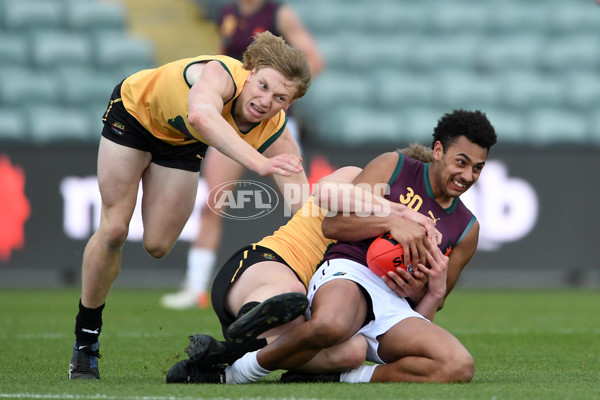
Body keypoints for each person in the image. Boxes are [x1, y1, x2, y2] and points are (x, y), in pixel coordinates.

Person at [167, 109, 498, 384]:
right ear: (438, 151)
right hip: (349, 271)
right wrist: (391, 221)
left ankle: (348, 378)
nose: (467, 175)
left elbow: (427, 307)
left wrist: (433, 293)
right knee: (330, 325)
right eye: (462, 162)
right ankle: (238, 371)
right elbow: (334, 225)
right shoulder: (394, 166)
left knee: (458, 366)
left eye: (478, 168)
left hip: (394, 305)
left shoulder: (467, 229)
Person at [68, 31, 313, 380]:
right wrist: (259, 164)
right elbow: (200, 115)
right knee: (115, 229)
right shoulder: (221, 73)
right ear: (251, 71)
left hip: (181, 142)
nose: (264, 101)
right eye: (262, 86)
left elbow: (304, 208)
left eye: (279, 97)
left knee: (157, 244)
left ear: (289, 103)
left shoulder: (276, 130)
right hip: (135, 115)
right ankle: (85, 342)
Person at [161, 0, 325, 310]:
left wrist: (279, 94)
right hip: (236, 120)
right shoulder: (228, 13)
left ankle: (318, 278)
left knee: (300, 207)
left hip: (274, 126)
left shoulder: (279, 14)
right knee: (214, 201)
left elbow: (313, 59)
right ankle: (194, 286)